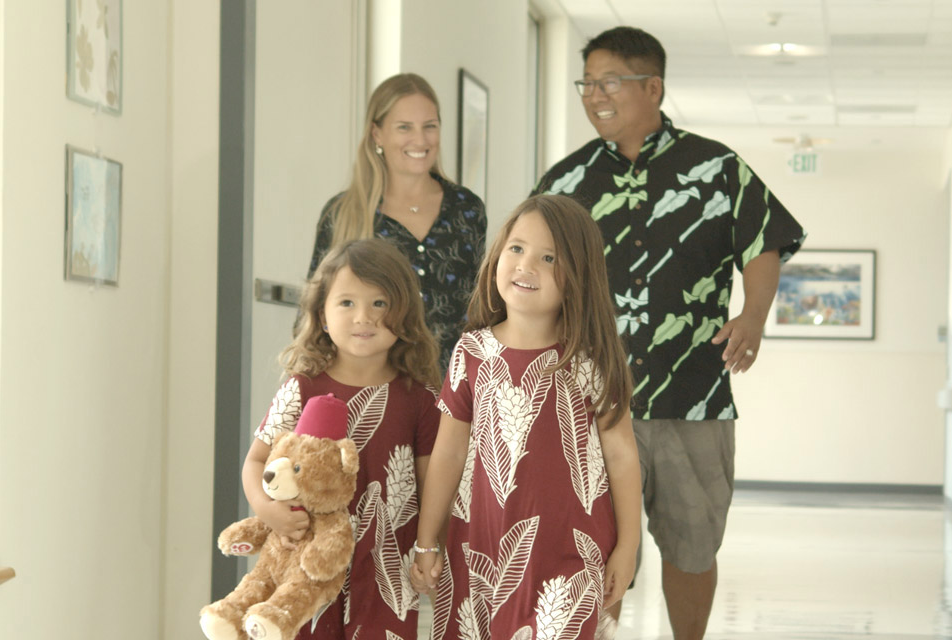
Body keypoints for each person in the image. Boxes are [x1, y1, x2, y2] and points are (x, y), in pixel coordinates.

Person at [533, 26, 807, 640]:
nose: (594, 96)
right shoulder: (564, 183)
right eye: (587, 84)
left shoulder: (715, 168)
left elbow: (765, 242)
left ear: (652, 86)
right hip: (588, 402)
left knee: (693, 545)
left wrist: (754, 316)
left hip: (693, 396)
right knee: (591, 549)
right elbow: (528, 270)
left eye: (609, 82)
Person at [410, 194, 642, 639]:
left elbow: (623, 455)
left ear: (577, 276)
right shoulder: (471, 352)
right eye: (516, 248)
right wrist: (426, 540)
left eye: (548, 257)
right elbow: (448, 452)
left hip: (571, 554)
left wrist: (627, 547)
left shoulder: (591, 360)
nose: (525, 264)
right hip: (477, 549)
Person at [245, 239, 442, 639]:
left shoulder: (419, 398)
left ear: (404, 313)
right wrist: (266, 510)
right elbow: (255, 462)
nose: (363, 318)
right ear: (321, 315)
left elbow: (434, 485)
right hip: (307, 560)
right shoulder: (302, 388)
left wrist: (428, 546)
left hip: (386, 567)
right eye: (347, 303)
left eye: (380, 304)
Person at [307, 73, 487, 373]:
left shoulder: (467, 209)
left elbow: (483, 308)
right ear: (377, 134)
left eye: (430, 126)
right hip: (369, 389)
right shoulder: (342, 213)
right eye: (404, 127)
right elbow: (313, 316)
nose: (420, 140)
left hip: (452, 391)